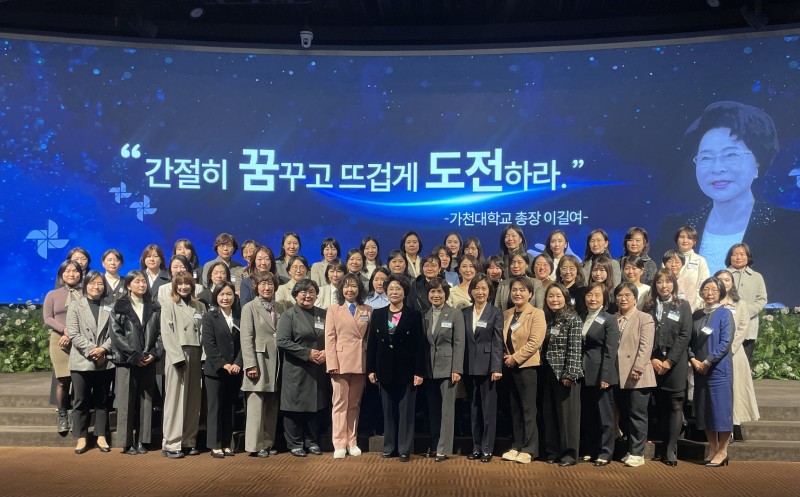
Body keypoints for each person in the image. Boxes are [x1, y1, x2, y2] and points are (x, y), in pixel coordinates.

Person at [656, 101, 792, 304]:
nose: (717, 168)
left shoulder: (789, 228)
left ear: (757, 163)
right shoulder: (674, 227)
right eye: (706, 157)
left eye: (731, 155)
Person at [366, 274, 426, 462]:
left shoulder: (414, 315)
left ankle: (404, 448)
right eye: (391, 288)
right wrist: (370, 369)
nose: (394, 292)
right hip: (384, 370)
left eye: (398, 289)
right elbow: (372, 344)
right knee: (388, 411)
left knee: (406, 412)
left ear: (404, 292)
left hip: (407, 371)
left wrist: (419, 371)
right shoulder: (378, 314)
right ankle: (389, 446)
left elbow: (420, 346)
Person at [109, 270, 163, 455]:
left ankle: (143, 440)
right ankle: (126, 442)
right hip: (127, 361)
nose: (142, 285)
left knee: (146, 402)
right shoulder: (119, 306)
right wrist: (134, 356)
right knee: (126, 402)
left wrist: (154, 353)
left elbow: (161, 333)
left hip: (148, 360)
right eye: (137, 281)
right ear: (129, 285)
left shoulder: (154, 306)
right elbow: (116, 334)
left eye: (144, 282)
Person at [643, 269, 692, 467]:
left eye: (668, 281)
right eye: (660, 282)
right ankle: (662, 447)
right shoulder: (648, 306)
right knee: (661, 404)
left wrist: (669, 361)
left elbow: (685, 335)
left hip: (675, 363)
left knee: (675, 404)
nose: (664, 286)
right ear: (655, 285)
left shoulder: (683, 305)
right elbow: (644, 334)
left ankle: (671, 449)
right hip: (653, 362)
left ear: (674, 284)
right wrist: (653, 358)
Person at [276, 279, 329, 457]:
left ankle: (312, 441)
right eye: (303, 292)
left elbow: (331, 337)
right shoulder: (289, 315)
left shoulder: (322, 314)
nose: (308, 295)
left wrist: (326, 352)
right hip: (296, 367)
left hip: (318, 368)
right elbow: (282, 341)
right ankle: (295, 443)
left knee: (315, 406)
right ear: (296, 295)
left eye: (312, 292)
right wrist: (307, 353)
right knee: (294, 407)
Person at [240, 272, 288, 458]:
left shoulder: (280, 306)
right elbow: (246, 338)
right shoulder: (249, 307)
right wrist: (250, 364)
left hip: (276, 361)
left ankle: (267, 444)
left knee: (271, 404)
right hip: (259, 360)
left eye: (270, 284)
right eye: (263, 284)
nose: (267, 288)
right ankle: (254, 445)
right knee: (256, 403)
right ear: (256, 287)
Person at [66, 270, 114, 454]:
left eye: (100, 283)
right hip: (81, 360)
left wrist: (103, 349)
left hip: (104, 360)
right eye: (92, 283)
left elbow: (115, 333)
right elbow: (73, 333)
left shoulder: (110, 306)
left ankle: (101, 435)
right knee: (81, 400)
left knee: (102, 400)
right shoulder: (75, 306)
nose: (96, 287)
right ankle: (82, 436)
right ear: (85, 285)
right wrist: (93, 350)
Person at [324, 273, 372, 459]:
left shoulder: (367, 309)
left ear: (359, 289)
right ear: (341, 289)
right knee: (339, 404)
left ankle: (352, 441)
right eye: (346, 286)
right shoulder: (333, 310)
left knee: (354, 404)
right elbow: (330, 338)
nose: (350, 290)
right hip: (340, 362)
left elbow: (369, 338)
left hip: (360, 361)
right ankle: (339, 443)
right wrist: (331, 362)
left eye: (353, 286)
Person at [159, 271, 206, 459]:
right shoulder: (169, 304)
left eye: (187, 283)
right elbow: (167, 333)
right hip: (178, 353)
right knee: (175, 400)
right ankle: (171, 443)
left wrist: (204, 357)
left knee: (193, 400)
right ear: (174, 286)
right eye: (180, 284)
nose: (183, 287)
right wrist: (177, 358)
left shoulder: (200, 305)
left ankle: (188, 441)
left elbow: (204, 332)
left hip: (196, 353)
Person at [500, 276, 546, 465]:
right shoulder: (508, 313)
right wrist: (506, 355)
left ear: (530, 294)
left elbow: (535, 342)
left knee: (528, 409)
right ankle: (517, 445)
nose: (517, 293)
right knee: (515, 408)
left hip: (527, 367)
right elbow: (504, 338)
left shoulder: (536, 313)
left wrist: (515, 357)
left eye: (522, 290)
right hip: (509, 367)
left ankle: (529, 448)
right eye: (514, 290)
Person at [689, 277, 734, 467]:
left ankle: (723, 451)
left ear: (721, 292)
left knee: (720, 411)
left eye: (714, 290)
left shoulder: (725, 314)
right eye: (706, 289)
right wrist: (693, 359)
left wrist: (708, 361)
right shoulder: (697, 315)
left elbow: (725, 342)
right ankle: (713, 449)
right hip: (699, 369)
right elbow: (689, 341)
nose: (710, 293)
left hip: (718, 370)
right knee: (704, 410)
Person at [421, 277, 465, 462]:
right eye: (432, 291)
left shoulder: (455, 313)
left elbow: (459, 343)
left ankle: (444, 449)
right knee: (433, 410)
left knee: (447, 410)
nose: (436, 295)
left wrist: (457, 369)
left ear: (446, 294)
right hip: (429, 370)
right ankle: (434, 444)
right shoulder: (424, 315)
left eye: (440, 291)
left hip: (448, 369)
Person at [540, 283, 583, 466]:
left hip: (565, 374)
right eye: (550, 296)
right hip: (547, 372)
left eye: (558, 296)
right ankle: (553, 452)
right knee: (550, 414)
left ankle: (569, 455)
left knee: (568, 418)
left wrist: (570, 374)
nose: (554, 300)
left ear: (566, 298)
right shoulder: (547, 318)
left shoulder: (573, 319)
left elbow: (575, 349)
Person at [614, 282, 656, 468]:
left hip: (637, 375)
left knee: (637, 415)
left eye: (627, 295)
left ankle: (638, 453)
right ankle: (630, 450)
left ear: (635, 298)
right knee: (624, 415)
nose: (623, 299)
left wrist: (638, 367)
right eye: (620, 295)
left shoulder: (644, 318)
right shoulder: (612, 318)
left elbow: (646, 346)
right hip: (617, 374)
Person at [462, 274, 504, 463]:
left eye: (484, 288)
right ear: (471, 291)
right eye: (476, 288)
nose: (480, 292)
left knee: (488, 410)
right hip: (469, 367)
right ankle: (476, 447)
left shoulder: (495, 312)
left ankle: (487, 449)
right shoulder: (464, 312)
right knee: (473, 409)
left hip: (488, 368)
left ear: (489, 291)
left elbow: (497, 341)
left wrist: (496, 368)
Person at [578, 282, 620, 467]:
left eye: (597, 295)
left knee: (605, 416)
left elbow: (611, 350)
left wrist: (606, 376)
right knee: (588, 414)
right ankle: (590, 449)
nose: (592, 299)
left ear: (604, 298)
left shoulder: (609, 319)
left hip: (601, 373)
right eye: (589, 295)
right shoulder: (581, 316)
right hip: (583, 372)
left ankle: (605, 451)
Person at [714, 269, 759, 433]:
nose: (724, 282)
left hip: (733, 354)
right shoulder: (708, 303)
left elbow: (742, 328)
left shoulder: (740, 304)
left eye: (727, 280)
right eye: (720, 279)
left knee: (734, 390)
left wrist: (727, 349)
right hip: (712, 354)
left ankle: (731, 428)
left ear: (732, 283)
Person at [202, 281, 242, 458]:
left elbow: (245, 343)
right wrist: (223, 364)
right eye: (221, 294)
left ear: (234, 296)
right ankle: (215, 444)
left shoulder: (240, 316)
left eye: (229, 294)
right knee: (215, 408)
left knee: (230, 408)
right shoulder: (209, 317)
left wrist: (238, 362)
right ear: (215, 297)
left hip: (235, 370)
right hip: (216, 371)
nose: (225, 298)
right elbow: (209, 345)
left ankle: (226, 444)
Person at [43, 260, 83, 433]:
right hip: (59, 341)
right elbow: (48, 318)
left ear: (80, 274)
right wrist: (64, 330)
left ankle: (78, 415)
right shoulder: (52, 294)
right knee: (63, 380)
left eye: (75, 271)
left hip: (81, 340)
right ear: (61, 274)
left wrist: (72, 334)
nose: (71, 274)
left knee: (79, 380)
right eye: (67, 271)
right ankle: (62, 415)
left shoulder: (86, 293)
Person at [725, 243, 767, 365]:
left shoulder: (756, 277)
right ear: (730, 257)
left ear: (748, 257)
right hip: (725, 323)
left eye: (742, 254)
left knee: (744, 363)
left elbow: (762, 299)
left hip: (749, 326)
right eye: (735, 254)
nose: (738, 257)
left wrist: (745, 312)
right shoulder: (722, 275)